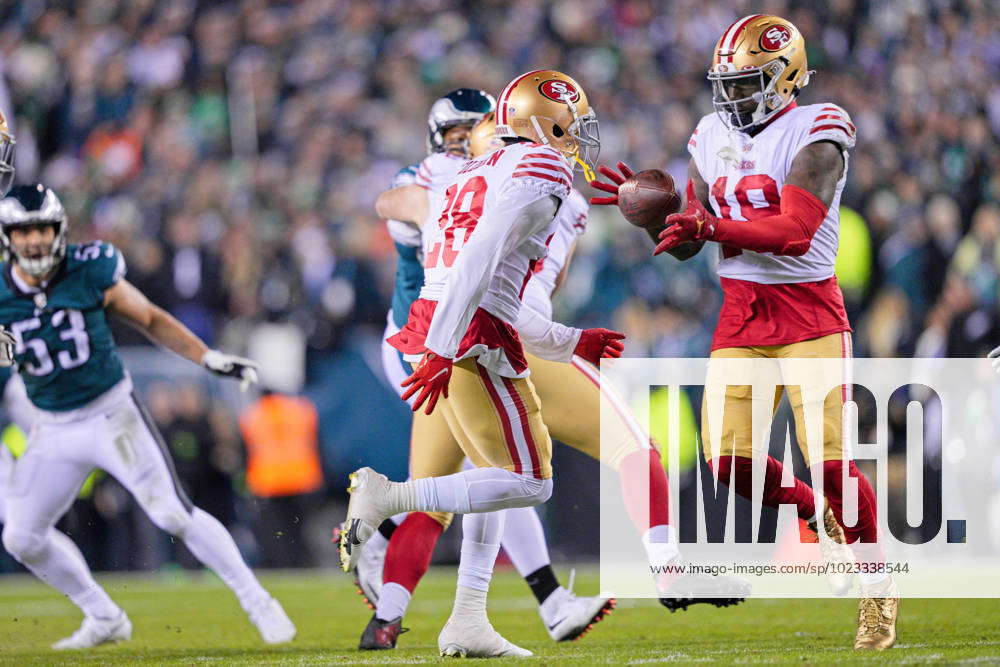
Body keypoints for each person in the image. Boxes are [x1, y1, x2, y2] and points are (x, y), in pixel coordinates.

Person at [357, 111, 749, 649]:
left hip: (443, 338)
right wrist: (566, 340)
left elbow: (402, 215)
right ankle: (667, 568)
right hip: (501, 339)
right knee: (629, 449)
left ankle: (404, 617)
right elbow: (508, 287)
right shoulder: (545, 180)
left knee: (474, 490)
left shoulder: (452, 184)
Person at [590, 15, 897, 651]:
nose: (733, 94)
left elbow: (794, 233)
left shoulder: (818, 130)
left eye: (749, 80)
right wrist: (651, 215)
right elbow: (684, 242)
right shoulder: (709, 135)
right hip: (742, 313)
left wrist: (707, 229)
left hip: (808, 312)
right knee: (729, 462)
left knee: (834, 464)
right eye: (727, 81)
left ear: (785, 77)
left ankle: (876, 584)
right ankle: (814, 512)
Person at [340, 70, 620, 658]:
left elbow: (501, 291)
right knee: (530, 481)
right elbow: (477, 265)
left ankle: (468, 617)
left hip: (460, 324)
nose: (577, 136)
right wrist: (442, 350)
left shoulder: (477, 169)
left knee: (494, 477)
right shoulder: (538, 170)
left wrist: (572, 343)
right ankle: (387, 501)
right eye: (568, 123)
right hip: (466, 333)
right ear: (538, 124)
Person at [0, 183, 296, 649]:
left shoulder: (87, 269)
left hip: (109, 413)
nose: (34, 240)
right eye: (23, 231)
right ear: (7, 237)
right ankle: (104, 616)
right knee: (21, 537)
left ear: (59, 230)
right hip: (51, 426)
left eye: (42, 228)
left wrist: (206, 358)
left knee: (172, 513)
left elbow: (151, 319)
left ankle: (257, 600)